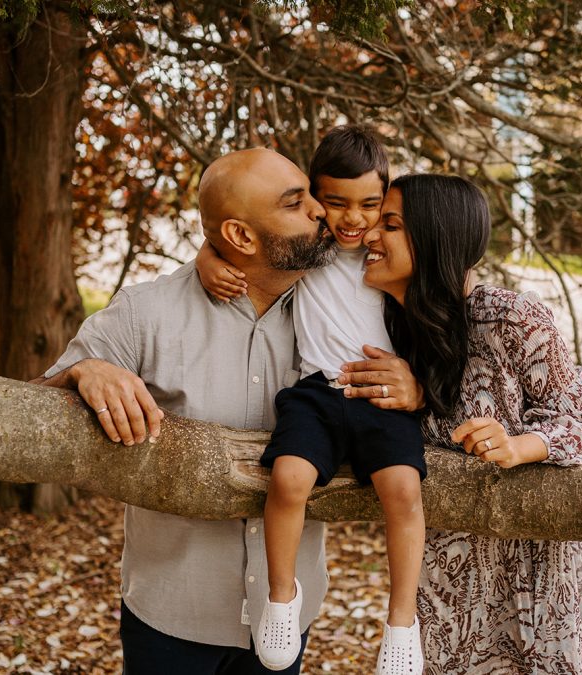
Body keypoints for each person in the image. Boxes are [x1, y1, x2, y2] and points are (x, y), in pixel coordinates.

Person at [35, 147, 422, 674]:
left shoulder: (344, 308)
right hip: (171, 612)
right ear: (240, 237)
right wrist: (85, 370)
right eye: (296, 203)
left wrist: (416, 387)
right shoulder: (148, 313)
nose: (319, 212)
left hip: (287, 615)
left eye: (311, 195)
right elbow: (36, 397)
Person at [358, 173, 582, 673]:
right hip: (451, 587)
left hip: (539, 585)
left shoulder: (509, 317)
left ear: (436, 237)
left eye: (389, 225)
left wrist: (520, 444)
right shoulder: (387, 326)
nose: (370, 235)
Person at [197, 126, 427, 675]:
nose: (353, 219)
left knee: (403, 490)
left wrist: (417, 383)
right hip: (317, 393)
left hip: (378, 397)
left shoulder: (388, 251)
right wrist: (209, 256)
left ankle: (401, 621)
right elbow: (243, 234)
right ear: (315, 202)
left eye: (370, 204)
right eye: (336, 203)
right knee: (288, 479)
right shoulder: (310, 250)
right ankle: (280, 598)